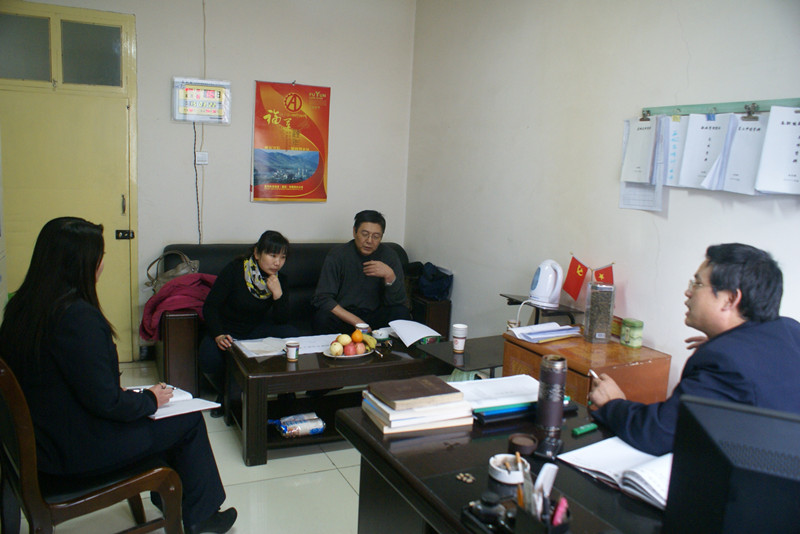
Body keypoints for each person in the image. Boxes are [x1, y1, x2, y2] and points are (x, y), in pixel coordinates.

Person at [0, 217, 236, 534]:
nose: (101, 266)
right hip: (70, 452)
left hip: (40, 441)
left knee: (162, 418)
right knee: (187, 420)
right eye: (99, 258)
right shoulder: (77, 318)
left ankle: (176, 503)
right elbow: (108, 403)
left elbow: (76, 384)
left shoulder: (21, 306)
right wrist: (150, 399)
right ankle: (202, 518)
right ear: (82, 264)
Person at [588, 243, 800, 456]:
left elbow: (659, 433)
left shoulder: (724, 360)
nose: (688, 292)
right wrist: (724, 341)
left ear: (730, 299)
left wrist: (613, 403)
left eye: (697, 284)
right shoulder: (790, 330)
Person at [199, 230, 297, 413]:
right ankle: (225, 392)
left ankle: (285, 390)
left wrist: (278, 294)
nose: (277, 262)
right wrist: (218, 334)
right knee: (208, 357)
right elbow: (210, 307)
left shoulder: (279, 280)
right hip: (227, 330)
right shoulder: (235, 270)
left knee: (292, 336)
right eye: (272, 255)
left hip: (254, 330)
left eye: (282, 257)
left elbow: (282, 320)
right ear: (257, 253)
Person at [312, 210, 411, 334]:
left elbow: (399, 302)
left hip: (375, 316)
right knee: (322, 318)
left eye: (376, 236)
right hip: (346, 317)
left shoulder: (389, 256)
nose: (369, 241)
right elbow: (322, 298)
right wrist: (357, 322)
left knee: (401, 312)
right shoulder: (338, 255)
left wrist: (390, 276)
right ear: (355, 232)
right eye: (365, 234)